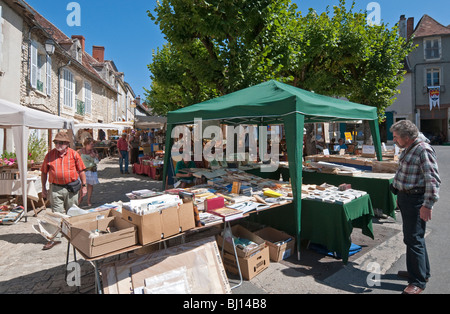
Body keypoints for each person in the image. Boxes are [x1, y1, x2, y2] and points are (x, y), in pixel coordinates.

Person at [390, 120, 441, 294]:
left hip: (416, 200)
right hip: (407, 198)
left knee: (413, 240)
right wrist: (399, 192)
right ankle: (421, 272)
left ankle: (417, 281)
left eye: (396, 137)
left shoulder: (423, 150)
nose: (394, 140)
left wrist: (427, 205)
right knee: (414, 238)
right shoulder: (410, 147)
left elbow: (433, 180)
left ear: (406, 137)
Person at [41, 130, 87, 250]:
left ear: (67, 144)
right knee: (56, 214)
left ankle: (75, 235)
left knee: (72, 212)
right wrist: (43, 188)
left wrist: (84, 186)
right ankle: (55, 239)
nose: (58, 144)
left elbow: (81, 170)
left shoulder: (74, 154)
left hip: (71, 188)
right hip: (55, 188)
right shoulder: (49, 155)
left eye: (61, 142)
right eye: (56, 142)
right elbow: (44, 172)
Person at [77, 138, 100, 207]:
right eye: (91, 144)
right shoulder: (80, 151)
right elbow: (75, 159)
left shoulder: (94, 151)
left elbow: (98, 160)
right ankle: (80, 198)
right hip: (83, 171)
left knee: (90, 186)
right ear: (86, 144)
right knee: (82, 185)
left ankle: (88, 200)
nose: (93, 146)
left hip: (92, 170)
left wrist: (96, 156)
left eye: (93, 144)